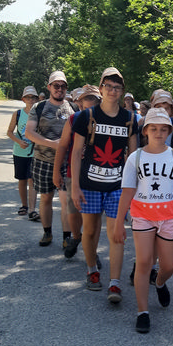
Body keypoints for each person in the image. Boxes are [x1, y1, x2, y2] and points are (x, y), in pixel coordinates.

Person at [114, 107, 173, 333]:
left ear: (169, 131)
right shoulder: (135, 157)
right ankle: (142, 312)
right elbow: (127, 191)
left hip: (168, 217)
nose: (158, 133)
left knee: (169, 266)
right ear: (145, 130)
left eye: (163, 129)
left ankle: (160, 282)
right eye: (153, 128)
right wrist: (118, 222)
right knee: (144, 262)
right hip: (142, 216)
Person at [70, 67, 138, 303]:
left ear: (122, 91)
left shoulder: (130, 119)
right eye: (108, 86)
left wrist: (133, 190)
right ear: (101, 88)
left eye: (117, 87)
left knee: (116, 233)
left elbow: (133, 156)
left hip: (117, 186)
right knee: (89, 231)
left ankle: (115, 283)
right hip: (89, 184)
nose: (112, 90)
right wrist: (75, 187)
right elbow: (76, 152)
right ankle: (92, 270)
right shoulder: (86, 117)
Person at [25, 71, 78, 247]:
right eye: (56, 85)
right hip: (43, 160)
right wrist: (52, 144)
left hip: (67, 163)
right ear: (49, 87)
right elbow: (29, 132)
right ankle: (47, 233)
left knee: (66, 200)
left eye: (63, 86)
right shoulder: (39, 107)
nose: (59, 89)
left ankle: (66, 237)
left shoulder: (74, 108)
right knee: (46, 198)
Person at [53, 85, 101, 259]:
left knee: (94, 218)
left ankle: (92, 253)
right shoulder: (74, 119)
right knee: (73, 212)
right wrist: (56, 171)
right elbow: (63, 146)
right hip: (73, 173)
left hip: (96, 175)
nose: (90, 105)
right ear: (80, 103)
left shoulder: (105, 121)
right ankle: (76, 236)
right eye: (86, 101)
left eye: (94, 101)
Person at [6, 85, 39, 219]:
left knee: (32, 179)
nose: (30, 100)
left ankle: (32, 209)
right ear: (23, 99)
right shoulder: (18, 114)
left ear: (37, 99)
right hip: (19, 152)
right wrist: (19, 141)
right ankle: (24, 205)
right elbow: (9, 132)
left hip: (34, 152)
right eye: (28, 97)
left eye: (33, 97)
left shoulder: (39, 113)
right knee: (22, 180)